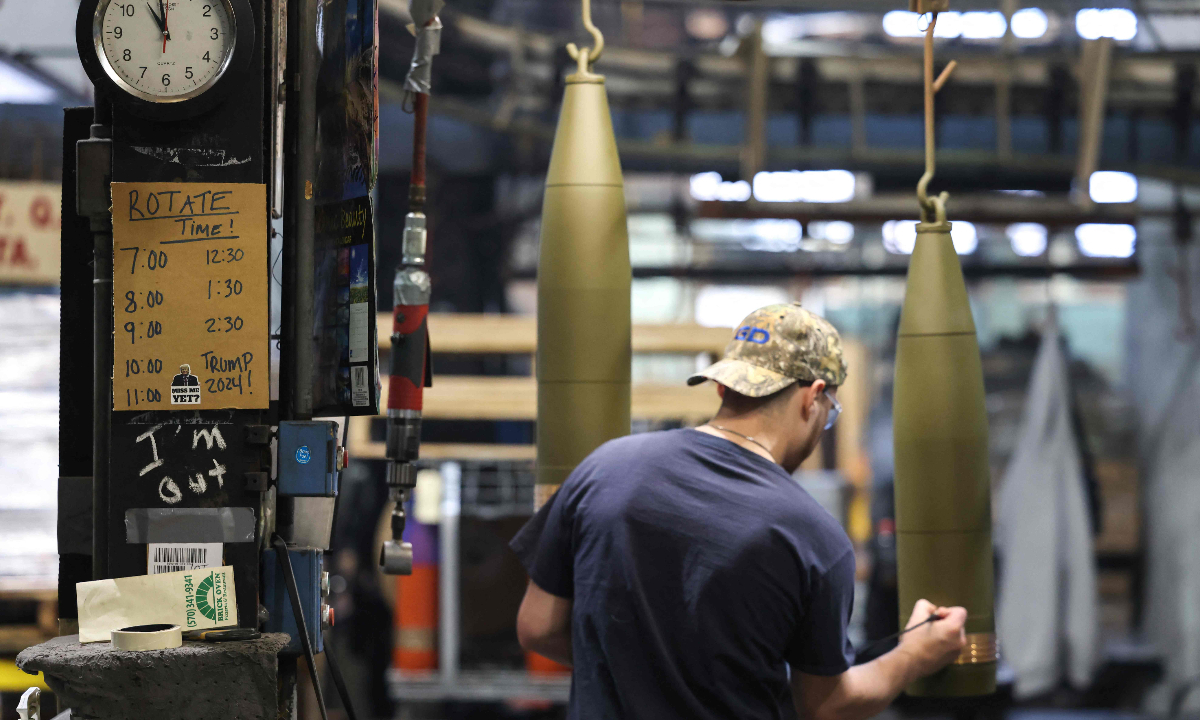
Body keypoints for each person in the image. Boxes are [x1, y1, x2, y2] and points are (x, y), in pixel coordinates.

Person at [510, 302, 968, 720]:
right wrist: (915, 654)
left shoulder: (604, 467)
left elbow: (536, 628)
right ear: (813, 397)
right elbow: (826, 703)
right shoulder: (813, 539)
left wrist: (636, 666)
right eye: (828, 412)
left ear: (726, 386)